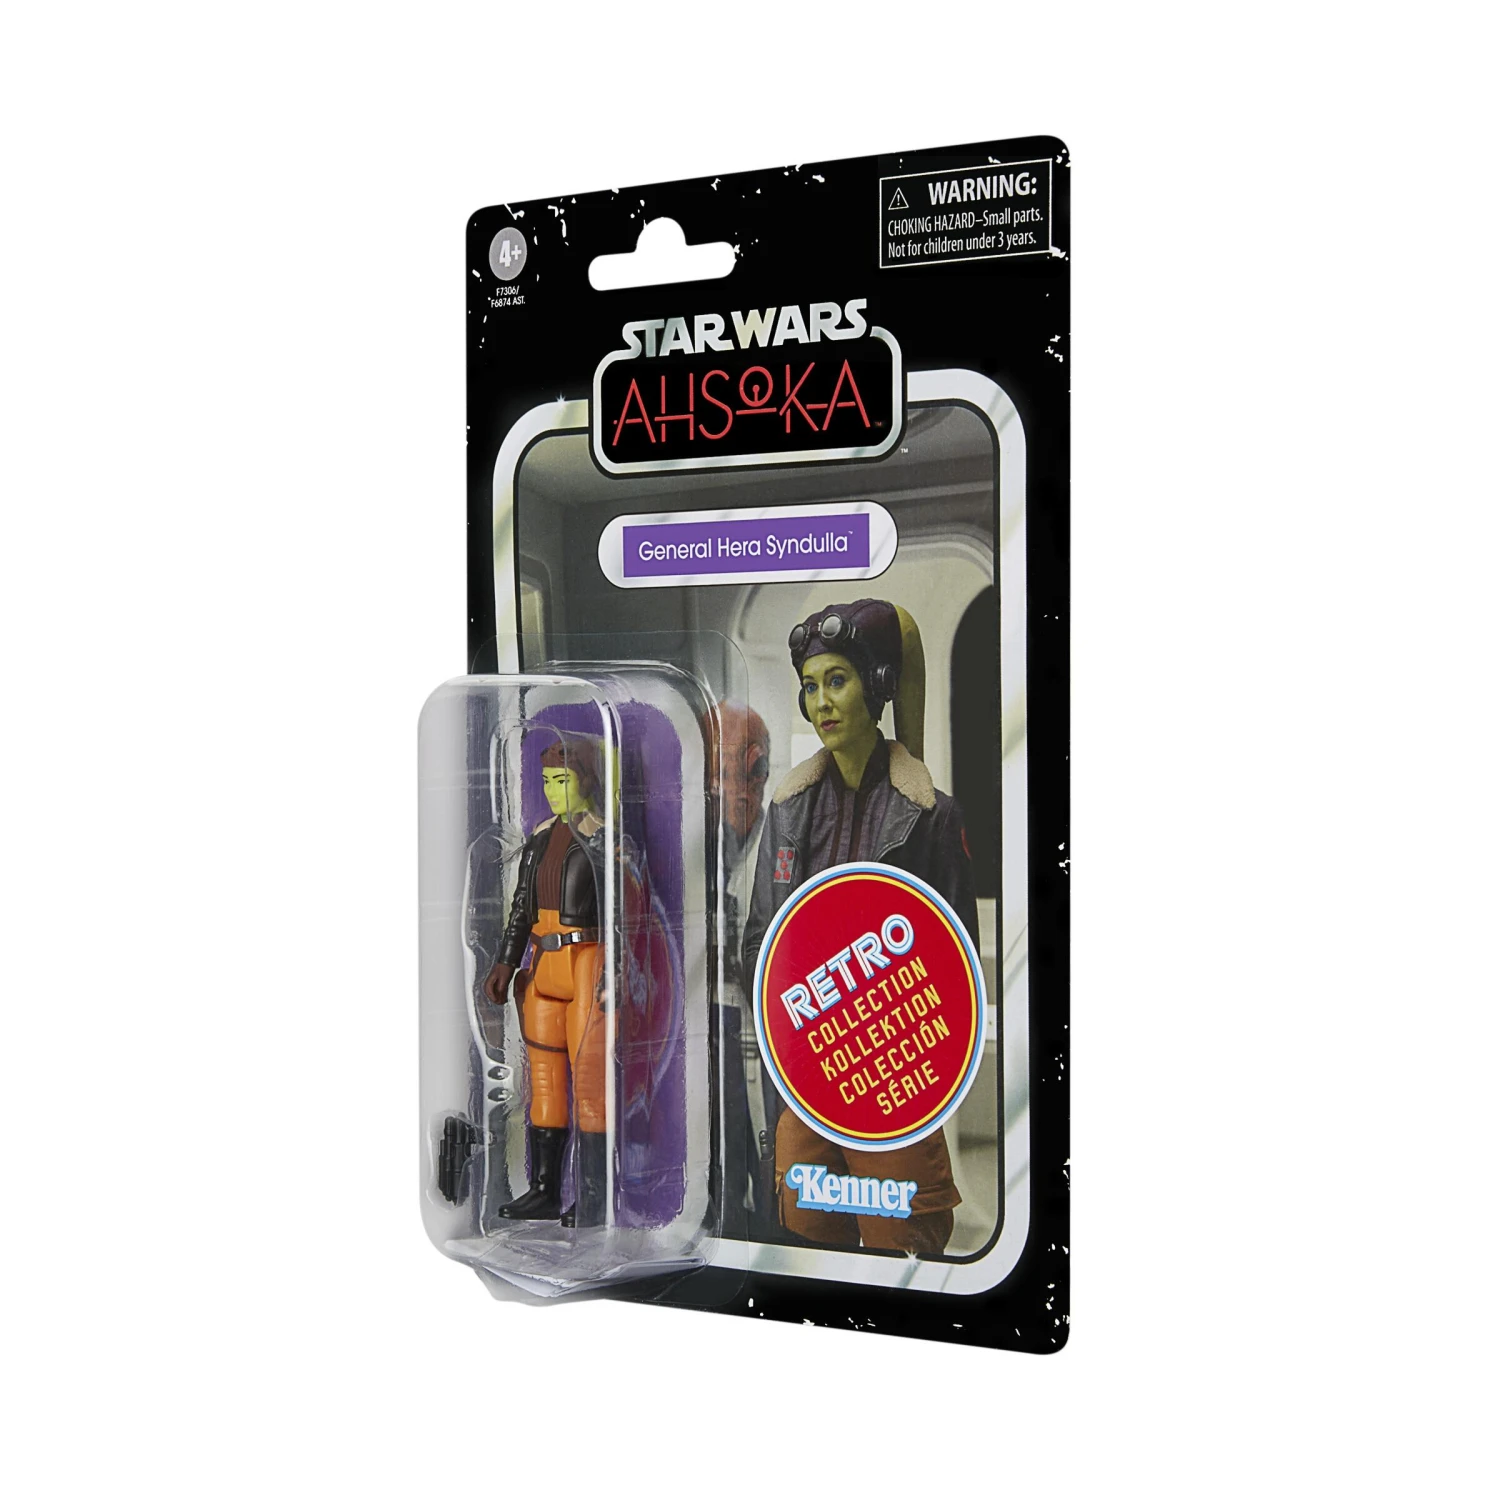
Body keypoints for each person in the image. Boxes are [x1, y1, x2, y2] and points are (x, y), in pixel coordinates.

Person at [743, 599, 977, 1255]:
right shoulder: (787, 814)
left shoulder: (930, 817)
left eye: (837, 680)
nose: (821, 702)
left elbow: (958, 965)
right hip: (807, 1076)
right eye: (810, 686)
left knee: (900, 1238)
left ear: (876, 686)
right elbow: (761, 940)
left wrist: (889, 1033)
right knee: (806, 1231)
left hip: (892, 1078)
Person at [482, 736, 609, 1227]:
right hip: (543, 964)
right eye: (547, 782)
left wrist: (618, 973)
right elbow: (521, 907)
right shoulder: (538, 841)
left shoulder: (605, 841)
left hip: (587, 962)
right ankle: (544, 1190)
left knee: (590, 1082)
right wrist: (505, 962)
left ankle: (595, 1195)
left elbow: (626, 912)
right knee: (544, 1082)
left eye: (563, 780)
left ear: (587, 779)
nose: (553, 791)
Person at [703, 700, 779, 1237]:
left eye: (754, 771)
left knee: (769, 1148)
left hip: (763, 1025)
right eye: (726, 773)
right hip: (707, 1020)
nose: (740, 790)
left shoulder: (782, 846)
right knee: (719, 1145)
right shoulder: (683, 845)